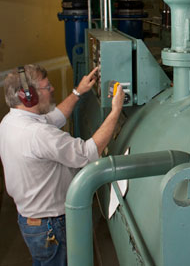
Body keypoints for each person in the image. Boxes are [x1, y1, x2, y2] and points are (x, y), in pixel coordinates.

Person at [0, 64, 124, 266]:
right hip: (50, 225)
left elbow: (55, 118)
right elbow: (88, 153)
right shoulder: (37, 134)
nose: (52, 89)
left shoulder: (10, 121)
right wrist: (116, 111)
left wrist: (78, 91)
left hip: (31, 221)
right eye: (46, 87)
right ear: (28, 96)